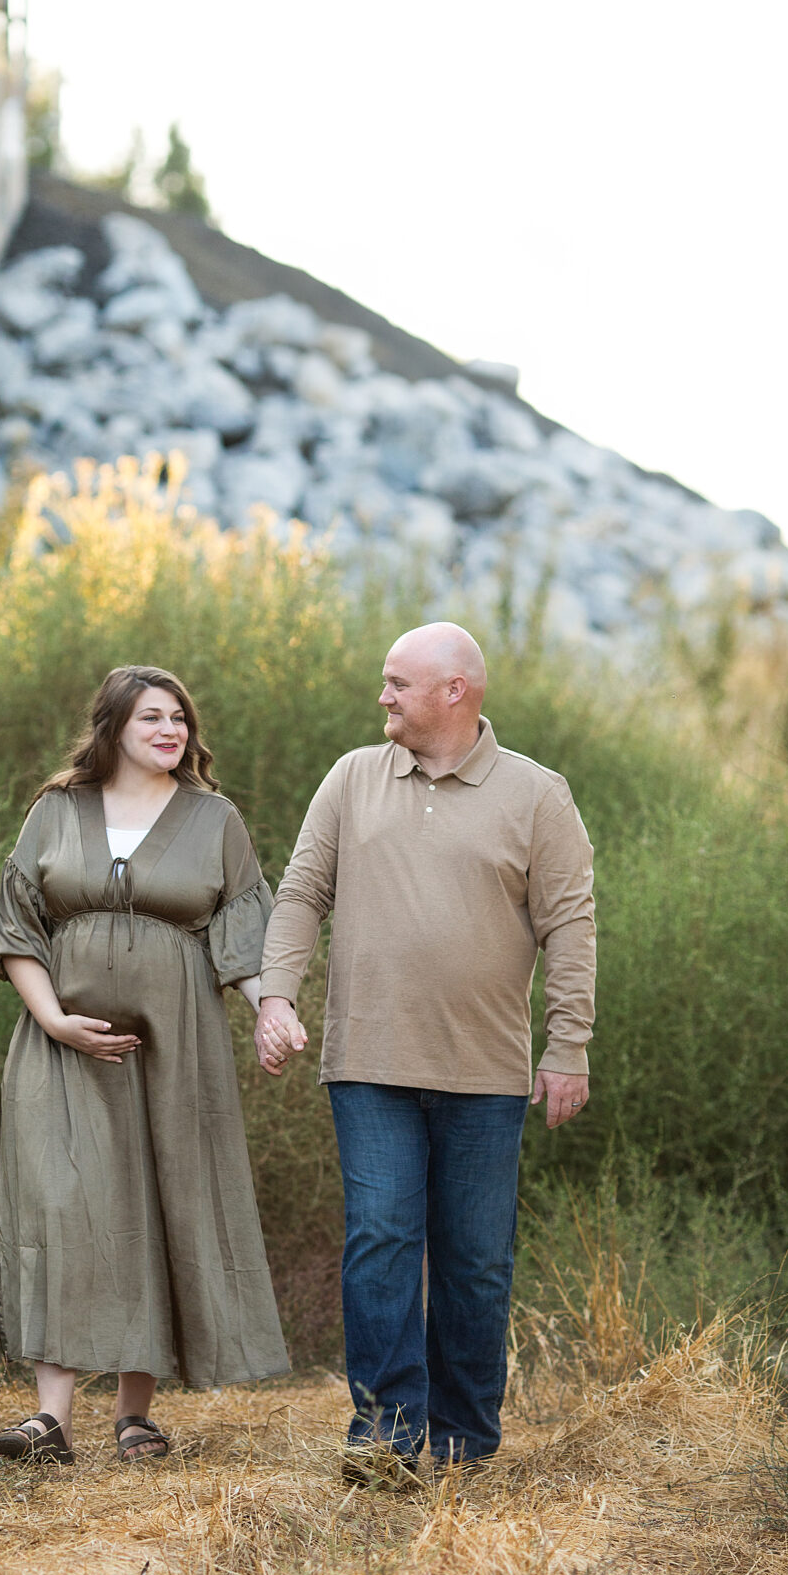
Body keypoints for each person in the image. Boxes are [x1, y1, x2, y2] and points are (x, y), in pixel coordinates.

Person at [254, 623, 595, 1483]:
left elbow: (570, 926)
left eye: (398, 683)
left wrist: (570, 1045)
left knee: (476, 1261)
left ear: (455, 691)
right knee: (381, 1239)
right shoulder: (351, 778)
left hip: (484, 1072)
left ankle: (465, 1439)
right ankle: (385, 1435)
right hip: (367, 1062)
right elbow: (301, 893)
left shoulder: (537, 796)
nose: (383, 697)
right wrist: (275, 995)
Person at [0, 664, 289, 1466]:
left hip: (174, 1049)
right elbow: (17, 927)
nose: (171, 729)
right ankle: (51, 1418)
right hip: (61, 1047)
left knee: (160, 1205)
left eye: (180, 717)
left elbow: (243, 931)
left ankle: (135, 1415)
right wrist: (55, 1021)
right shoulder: (56, 811)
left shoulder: (214, 819)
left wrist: (272, 1011)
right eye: (152, 716)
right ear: (113, 726)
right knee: (61, 1205)